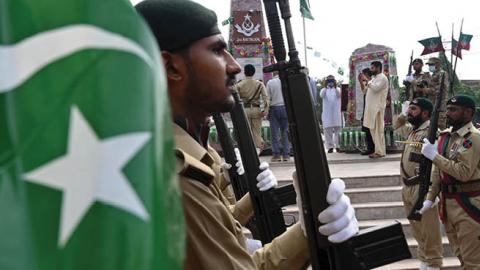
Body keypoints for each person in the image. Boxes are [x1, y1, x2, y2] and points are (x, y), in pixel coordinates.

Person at [136, 1, 359, 269]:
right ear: (171, 67)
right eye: (217, 50)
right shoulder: (173, 175)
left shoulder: (164, 155)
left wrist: (301, 228)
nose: (234, 66)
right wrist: (306, 231)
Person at [419, 95, 480, 269]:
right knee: (462, 256)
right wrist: (430, 197)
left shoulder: (473, 138)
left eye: (453, 110)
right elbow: (439, 171)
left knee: (473, 261)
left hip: (468, 204)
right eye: (447, 109)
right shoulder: (446, 136)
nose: (447, 113)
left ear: (468, 113)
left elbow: (463, 173)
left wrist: (435, 156)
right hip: (448, 204)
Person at [394, 98, 443, 270]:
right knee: (418, 231)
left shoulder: (431, 132)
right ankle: (425, 262)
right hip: (408, 187)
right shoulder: (413, 131)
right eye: (410, 109)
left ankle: (433, 263)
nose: (410, 112)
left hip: (422, 185)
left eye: (413, 109)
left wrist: (432, 191)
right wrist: (402, 113)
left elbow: (437, 163)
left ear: (425, 113)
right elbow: (397, 127)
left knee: (429, 232)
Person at [235, 64, 269, 150]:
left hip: (244, 110)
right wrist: (265, 109)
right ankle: (257, 152)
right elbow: (266, 98)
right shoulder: (259, 84)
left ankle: (248, 150)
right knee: (257, 133)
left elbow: (235, 97)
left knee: (246, 132)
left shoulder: (239, 84)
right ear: (254, 73)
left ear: (244, 72)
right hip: (256, 109)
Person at [361, 61, 388, 158]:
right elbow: (365, 91)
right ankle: (378, 150)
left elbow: (376, 89)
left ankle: (380, 152)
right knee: (372, 130)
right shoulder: (373, 78)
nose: (371, 70)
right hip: (370, 108)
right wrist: (363, 81)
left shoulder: (383, 78)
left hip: (377, 108)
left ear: (378, 68)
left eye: (372, 68)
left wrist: (367, 81)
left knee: (378, 130)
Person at [266, 72, 290, 162]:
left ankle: (276, 154)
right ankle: (286, 155)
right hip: (286, 108)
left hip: (274, 108)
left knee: (274, 133)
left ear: (274, 73)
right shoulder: (286, 81)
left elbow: (267, 97)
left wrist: (266, 110)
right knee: (285, 132)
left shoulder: (270, 82)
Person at [423, 57, 450, 130]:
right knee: (431, 128)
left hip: (440, 107)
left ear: (438, 64)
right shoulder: (433, 74)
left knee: (439, 129)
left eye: (431, 64)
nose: (429, 67)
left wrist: (426, 90)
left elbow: (440, 90)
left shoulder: (442, 74)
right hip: (433, 106)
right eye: (428, 65)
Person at [320, 75, 343, 153]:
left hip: (336, 113)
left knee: (338, 131)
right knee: (327, 131)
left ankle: (338, 146)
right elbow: (321, 95)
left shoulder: (338, 89)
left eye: (332, 81)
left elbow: (339, 94)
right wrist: (325, 86)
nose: (330, 82)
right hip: (327, 114)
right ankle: (330, 147)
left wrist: (335, 86)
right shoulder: (324, 90)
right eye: (329, 81)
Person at [359, 68, 374, 155]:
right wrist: (361, 82)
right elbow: (364, 91)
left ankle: (374, 148)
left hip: (372, 108)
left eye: (363, 74)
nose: (362, 76)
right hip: (367, 108)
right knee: (366, 130)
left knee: (372, 130)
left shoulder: (373, 81)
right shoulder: (367, 83)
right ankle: (370, 148)